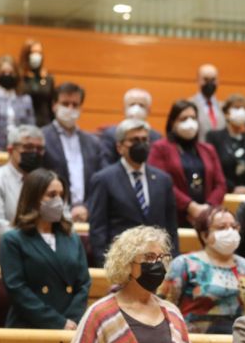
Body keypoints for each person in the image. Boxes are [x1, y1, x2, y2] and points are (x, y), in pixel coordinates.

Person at [60, 225, 208, 343]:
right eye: (148, 258)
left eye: (161, 258)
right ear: (127, 263)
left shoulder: (173, 314)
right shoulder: (101, 314)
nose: (156, 265)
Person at [0, 168, 90, 329]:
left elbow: (83, 283)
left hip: (71, 328)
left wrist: (71, 321)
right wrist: (58, 322)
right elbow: (18, 290)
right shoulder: (13, 240)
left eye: (61, 195)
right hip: (28, 327)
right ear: (34, 198)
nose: (58, 201)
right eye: (52, 195)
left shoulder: (72, 237)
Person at [88, 118, 178, 267]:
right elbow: (98, 229)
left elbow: (171, 227)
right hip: (122, 263)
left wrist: (172, 262)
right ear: (120, 147)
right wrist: (105, 265)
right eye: (135, 140)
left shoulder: (163, 180)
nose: (141, 144)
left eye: (144, 139)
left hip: (157, 263)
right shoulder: (103, 179)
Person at [159, 206, 245, 334]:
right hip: (194, 342)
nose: (230, 232)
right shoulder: (184, 264)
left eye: (234, 227)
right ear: (204, 235)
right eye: (222, 227)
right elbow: (164, 307)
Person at [148, 99, 226, 226]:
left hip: (206, 218)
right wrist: (191, 207)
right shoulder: (159, 148)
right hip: (173, 217)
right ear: (172, 122)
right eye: (183, 119)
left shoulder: (208, 149)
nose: (190, 123)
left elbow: (220, 184)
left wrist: (207, 209)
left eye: (193, 118)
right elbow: (160, 183)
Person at [0, 124, 45, 262]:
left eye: (40, 149)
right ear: (10, 149)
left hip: (41, 268)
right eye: (28, 147)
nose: (35, 153)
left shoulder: (49, 183)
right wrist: (39, 243)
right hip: (0, 267)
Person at [42, 82, 106, 222]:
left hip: (87, 216)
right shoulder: (41, 138)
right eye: (65, 103)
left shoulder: (93, 142)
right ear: (54, 105)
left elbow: (100, 182)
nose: (70, 108)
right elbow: (38, 180)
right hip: (52, 215)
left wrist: (87, 208)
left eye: (75, 105)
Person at [206, 93, 245, 194]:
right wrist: (231, 188)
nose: (241, 112)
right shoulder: (214, 137)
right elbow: (213, 168)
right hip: (222, 193)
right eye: (237, 108)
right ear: (226, 113)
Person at [0, 55, 35, 151]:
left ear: (16, 75)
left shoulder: (25, 100)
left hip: (18, 152)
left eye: (11, 73)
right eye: (3, 72)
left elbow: (30, 128)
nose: (7, 75)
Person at [99, 88, 162, 164]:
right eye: (132, 104)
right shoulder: (111, 134)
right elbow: (106, 165)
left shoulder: (156, 137)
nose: (136, 108)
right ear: (124, 109)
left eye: (141, 105)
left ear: (148, 111)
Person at [18, 39, 55, 127]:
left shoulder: (48, 78)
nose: (36, 56)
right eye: (33, 52)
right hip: (24, 124)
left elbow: (51, 104)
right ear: (26, 55)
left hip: (45, 124)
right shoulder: (19, 78)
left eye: (39, 53)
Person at [189, 63, 226, 141]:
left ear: (218, 81)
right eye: (205, 79)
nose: (210, 83)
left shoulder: (224, 106)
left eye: (213, 80)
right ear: (198, 80)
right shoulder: (189, 105)